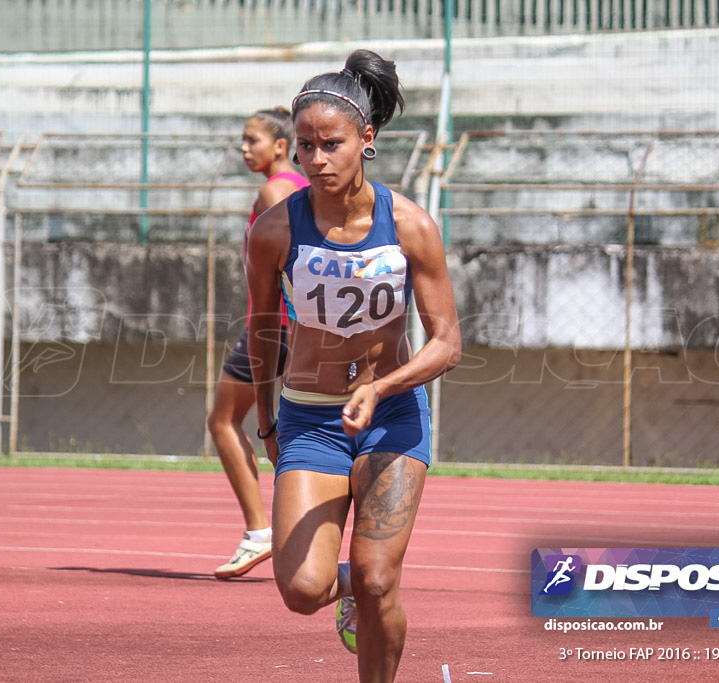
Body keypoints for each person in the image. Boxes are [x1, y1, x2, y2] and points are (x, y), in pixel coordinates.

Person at [245, 50, 461, 681]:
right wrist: (266, 421)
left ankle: (370, 589)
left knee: (377, 577)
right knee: (304, 590)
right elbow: (262, 330)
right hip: (309, 419)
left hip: (391, 412)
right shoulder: (274, 231)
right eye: (304, 147)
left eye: (330, 144)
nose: (316, 160)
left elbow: (446, 343)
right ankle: (354, 586)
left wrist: (384, 388)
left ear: (366, 140)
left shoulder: (411, 226)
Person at [209, 107, 309, 580]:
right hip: (292, 326)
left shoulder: (276, 189)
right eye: (243, 141)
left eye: (252, 140)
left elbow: (285, 262)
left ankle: (260, 531)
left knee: (225, 419)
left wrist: (277, 325)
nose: (244, 148)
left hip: (274, 326)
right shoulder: (302, 191)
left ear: (280, 146)